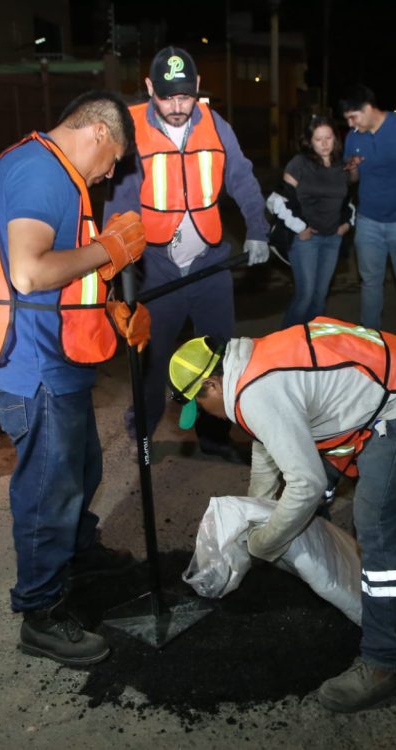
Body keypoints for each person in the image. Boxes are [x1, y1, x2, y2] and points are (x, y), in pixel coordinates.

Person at [168, 317, 396, 712]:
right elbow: (267, 445)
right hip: (388, 377)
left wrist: (266, 541)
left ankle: (391, 661)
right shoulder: (249, 361)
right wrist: (254, 517)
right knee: (309, 496)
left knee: (374, 526)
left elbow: (305, 484)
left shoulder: (256, 392)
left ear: (211, 386)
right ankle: (325, 565)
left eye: (201, 407)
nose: (207, 415)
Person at [0, 90, 150, 666]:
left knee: (81, 469)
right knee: (50, 489)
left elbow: (61, 274)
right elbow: (30, 272)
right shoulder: (37, 171)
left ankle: (76, 552)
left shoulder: (52, 173)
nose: (109, 175)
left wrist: (107, 308)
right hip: (35, 366)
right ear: (99, 132)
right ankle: (41, 611)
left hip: (60, 359)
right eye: (116, 161)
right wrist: (106, 252)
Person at [106, 46, 270, 463]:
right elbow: (120, 203)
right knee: (152, 360)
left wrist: (258, 229)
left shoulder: (216, 125)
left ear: (197, 87)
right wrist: (116, 264)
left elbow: (242, 178)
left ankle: (215, 438)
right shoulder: (132, 129)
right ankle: (142, 432)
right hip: (158, 269)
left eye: (185, 97)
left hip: (210, 263)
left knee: (218, 356)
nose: (177, 107)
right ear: (149, 89)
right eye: (166, 98)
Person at [340, 85, 396, 346]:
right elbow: (352, 178)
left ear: (368, 109)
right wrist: (351, 169)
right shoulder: (354, 137)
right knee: (370, 281)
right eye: (347, 119)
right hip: (368, 220)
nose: (350, 124)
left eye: (353, 117)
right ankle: (370, 335)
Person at [266, 116, 354, 328]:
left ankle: (311, 345)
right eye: (318, 139)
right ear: (309, 142)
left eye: (328, 138)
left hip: (332, 239)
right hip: (307, 240)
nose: (324, 143)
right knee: (305, 295)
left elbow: (349, 200)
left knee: (320, 296)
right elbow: (275, 200)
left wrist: (348, 223)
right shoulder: (300, 164)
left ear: (335, 139)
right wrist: (300, 227)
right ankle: (284, 344)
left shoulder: (341, 166)